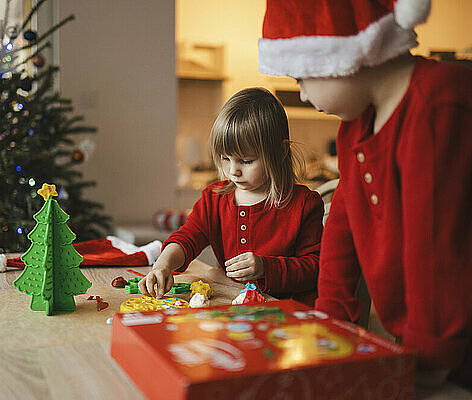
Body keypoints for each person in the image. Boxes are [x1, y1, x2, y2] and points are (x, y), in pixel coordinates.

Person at [258, 0, 472, 387]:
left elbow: (437, 249)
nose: (303, 95)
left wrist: (429, 360)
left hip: (454, 346)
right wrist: (329, 328)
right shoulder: (354, 127)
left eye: (301, 79)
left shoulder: (438, 102)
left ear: (336, 50)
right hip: (423, 343)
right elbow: (341, 234)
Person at [139, 88, 324, 307]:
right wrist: (163, 265)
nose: (233, 171)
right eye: (225, 158)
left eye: (246, 161)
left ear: (281, 151)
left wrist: (267, 267)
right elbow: (187, 237)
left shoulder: (304, 205)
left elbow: (316, 267)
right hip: (235, 309)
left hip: (287, 316)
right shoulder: (214, 198)